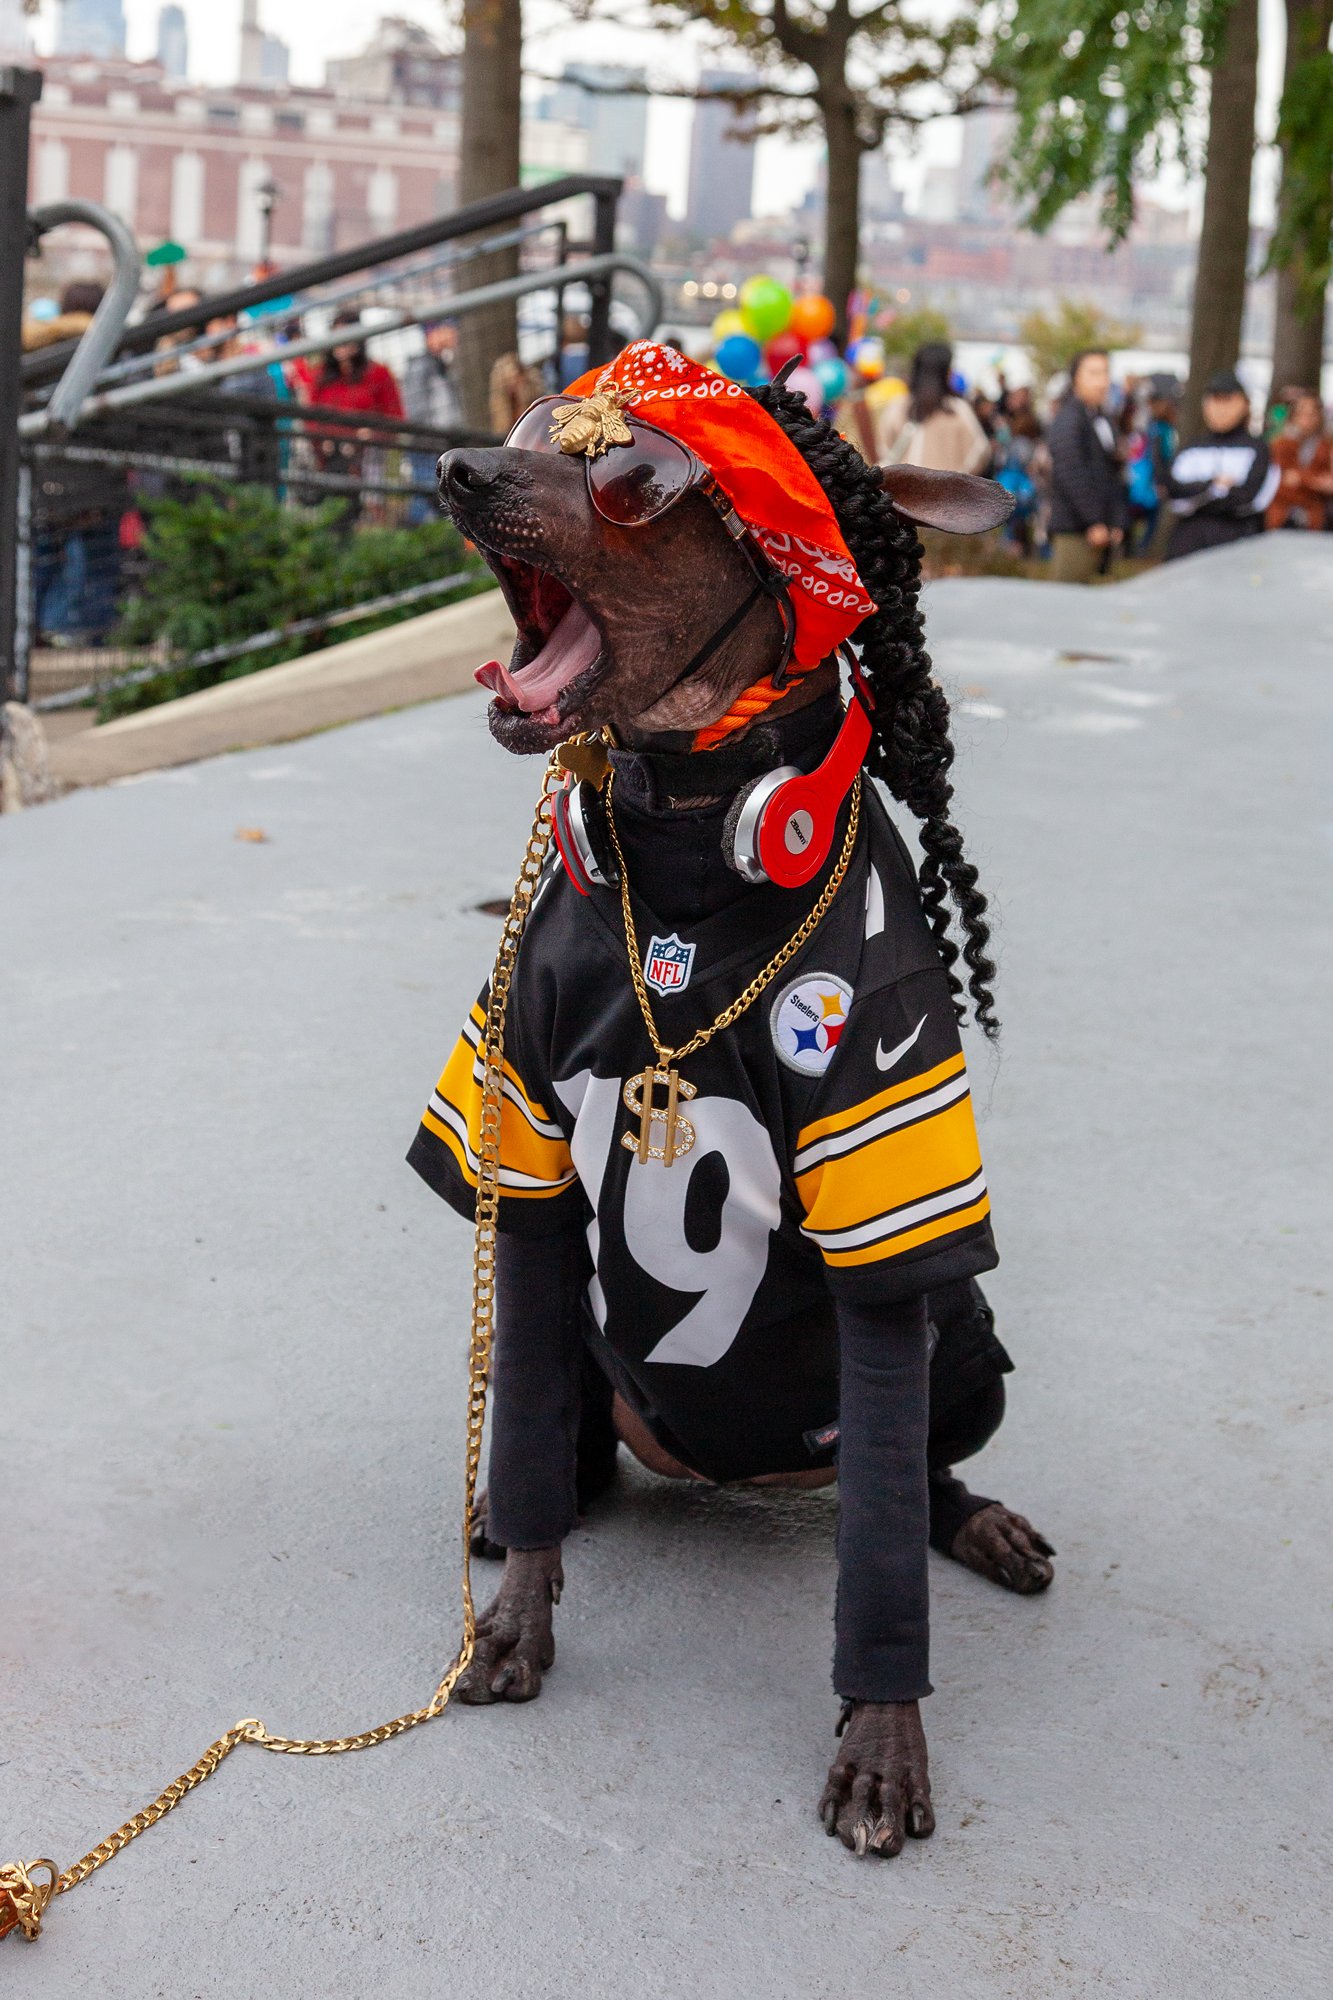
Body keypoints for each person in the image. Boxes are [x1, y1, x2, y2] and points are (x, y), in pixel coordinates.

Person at [1164, 369, 1277, 562]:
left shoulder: (1257, 449)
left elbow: (1248, 495)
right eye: (1214, 401)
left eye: (1227, 401)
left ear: (1245, 404)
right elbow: (1173, 488)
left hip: (1238, 540)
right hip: (1189, 542)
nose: (1220, 409)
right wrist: (1214, 485)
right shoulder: (1193, 447)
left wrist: (1199, 494)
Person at [1045, 348, 1125, 582]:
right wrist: (1094, 521)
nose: (1102, 381)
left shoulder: (1101, 417)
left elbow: (1110, 474)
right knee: (1067, 603)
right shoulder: (1069, 418)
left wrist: (1116, 520)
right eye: (1093, 373)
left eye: (1105, 373)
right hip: (1075, 529)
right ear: (1075, 378)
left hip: (1099, 529)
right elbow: (1070, 472)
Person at [872, 342, 991, 474]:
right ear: (946, 373)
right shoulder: (956, 410)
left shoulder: (899, 407)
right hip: (944, 492)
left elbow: (882, 450)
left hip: (902, 491)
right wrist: (958, 479)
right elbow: (979, 450)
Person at [1266, 391, 1332, 532]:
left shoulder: (1325, 446)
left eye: (1312, 414)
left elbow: (1328, 484)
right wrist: (1314, 483)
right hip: (1281, 518)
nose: (1306, 419)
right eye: (1301, 413)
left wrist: (1300, 479)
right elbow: (1280, 484)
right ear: (1293, 415)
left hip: (1314, 520)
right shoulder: (1280, 444)